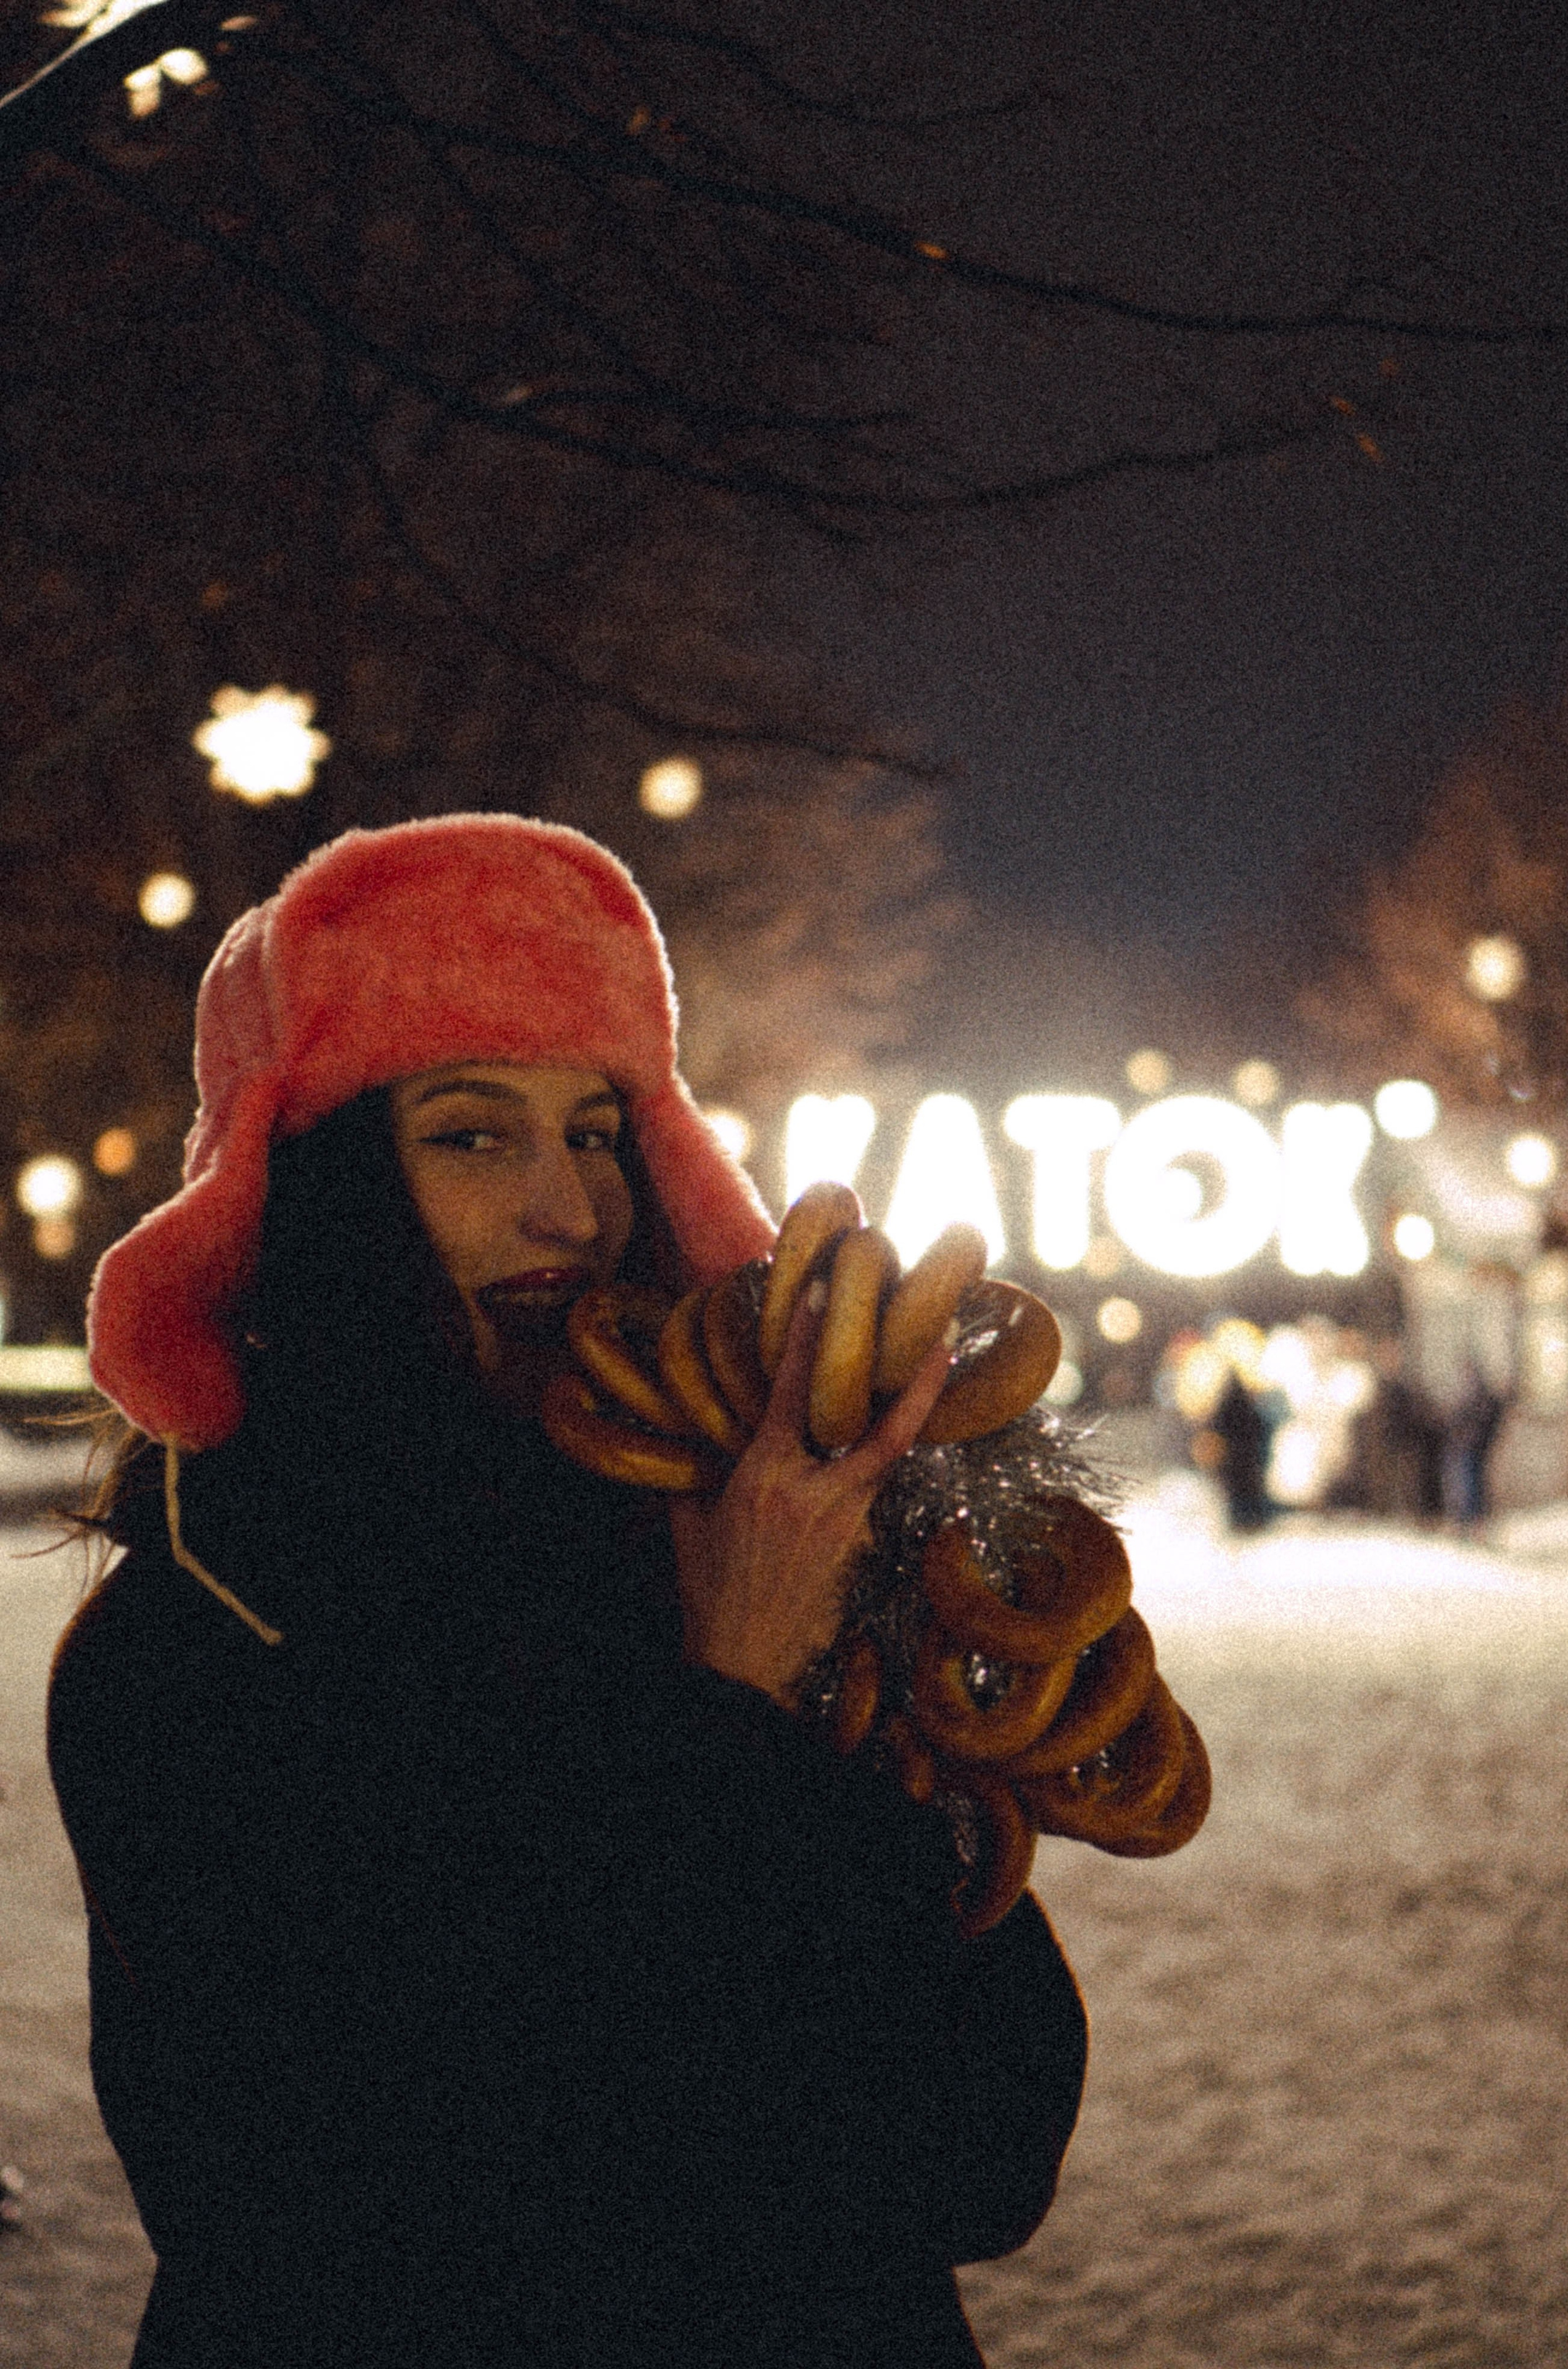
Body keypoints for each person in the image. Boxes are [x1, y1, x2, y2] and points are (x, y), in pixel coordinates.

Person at [46, 816, 1087, 2369]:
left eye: (595, 1131)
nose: (570, 1211)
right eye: (472, 1135)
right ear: (325, 1191)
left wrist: (852, 1670)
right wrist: (727, 1706)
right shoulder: (202, 1640)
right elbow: (382, 2216)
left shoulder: (721, 1550)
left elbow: (977, 2151)